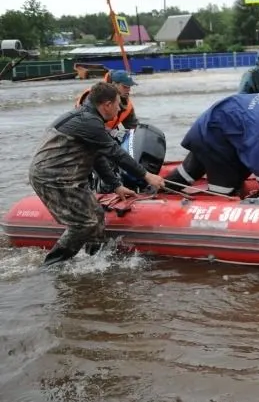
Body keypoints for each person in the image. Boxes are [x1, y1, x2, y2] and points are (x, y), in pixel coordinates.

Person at [28, 82, 165, 266]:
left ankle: (94, 260)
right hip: (53, 177)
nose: (119, 109)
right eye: (117, 104)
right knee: (83, 223)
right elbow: (115, 153)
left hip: (67, 176)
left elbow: (98, 156)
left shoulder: (90, 119)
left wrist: (116, 186)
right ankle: (53, 265)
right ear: (106, 104)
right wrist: (147, 176)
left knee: (97, 215)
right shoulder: (88, 121)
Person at [163, 92, 259, 201]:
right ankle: (163, 194)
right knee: (223, 185)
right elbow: (256, 159)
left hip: (227, 128)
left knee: (192, 171)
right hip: (213, 133)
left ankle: (161, 189)